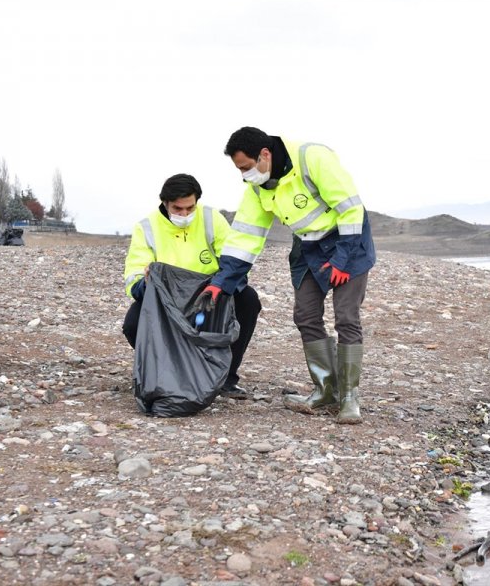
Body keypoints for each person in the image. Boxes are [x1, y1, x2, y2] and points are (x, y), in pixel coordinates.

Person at [190, 127, 375, 424]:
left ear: (264, 155)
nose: (244, 176)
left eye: (246, 168)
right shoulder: (258, 187)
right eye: (239, 170)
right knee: (305, 316)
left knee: (346, 318)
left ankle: (350, 398)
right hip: (308, 248)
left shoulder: (313, 157)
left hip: (347, 241)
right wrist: (220, 284)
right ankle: (326, 390)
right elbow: (246, 237)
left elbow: (351, 209)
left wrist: (343, 259)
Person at [122, 173, 261, 397]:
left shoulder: (211, 217)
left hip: (208, 294)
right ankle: (171, 373)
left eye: (190, 208)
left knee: (248, 300)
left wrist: (220, 287)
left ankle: (225, 378)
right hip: (166, 299)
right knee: (133, 324)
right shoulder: (146, 227)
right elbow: (133, 278)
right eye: (177, 209)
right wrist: (146, 282)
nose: (185, 214)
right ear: (165, 203)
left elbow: (231, 259)